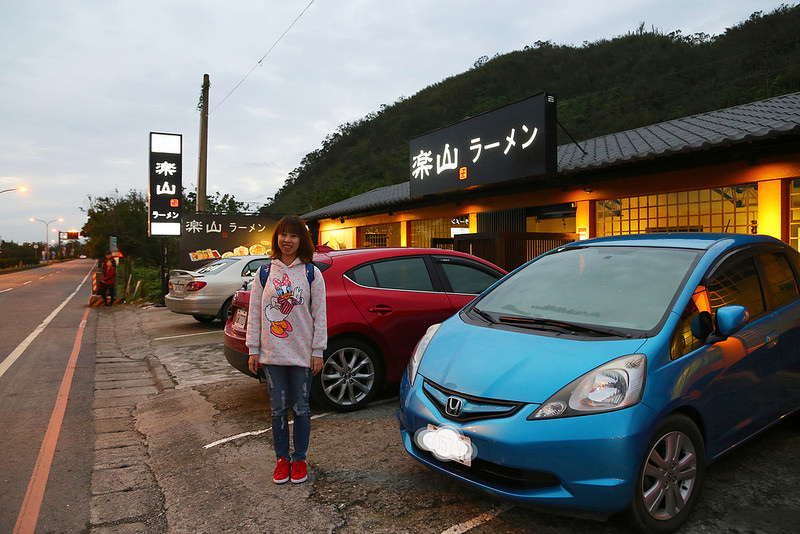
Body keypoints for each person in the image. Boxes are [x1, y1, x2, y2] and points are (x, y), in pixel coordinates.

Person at [246, 216, 327, 484]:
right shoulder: (264, 272)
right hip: (272, 355)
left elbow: (320, 315)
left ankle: (299, 459)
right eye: (283, 234)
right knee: (278, 410)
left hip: (303, 355)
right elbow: (255, 313)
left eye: (293, 235)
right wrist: (253, 348)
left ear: (301, 240)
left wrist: (318, 351)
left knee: (302, 409)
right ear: (276, 238)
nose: (287, 240)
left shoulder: (311, 273)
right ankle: (282, 459)